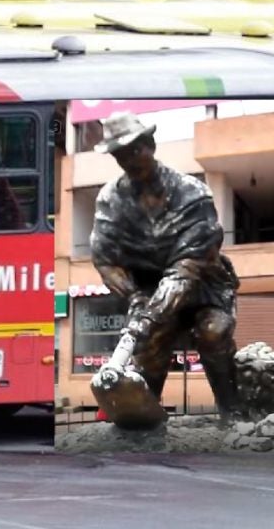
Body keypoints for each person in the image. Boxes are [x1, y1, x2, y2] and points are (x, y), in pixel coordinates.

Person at [89, 112, 240, 416]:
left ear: (151, 144)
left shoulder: (192, 194)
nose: (129, 160)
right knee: (149, 345)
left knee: (214, 332)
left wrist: (151, 314)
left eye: (135, 150)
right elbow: (105, 258)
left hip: (202, 289)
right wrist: (133, 296)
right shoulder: (110, 200)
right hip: (147, 289)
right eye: (120, 155)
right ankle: (143, 416)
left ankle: (232, 411)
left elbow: (191, 264)